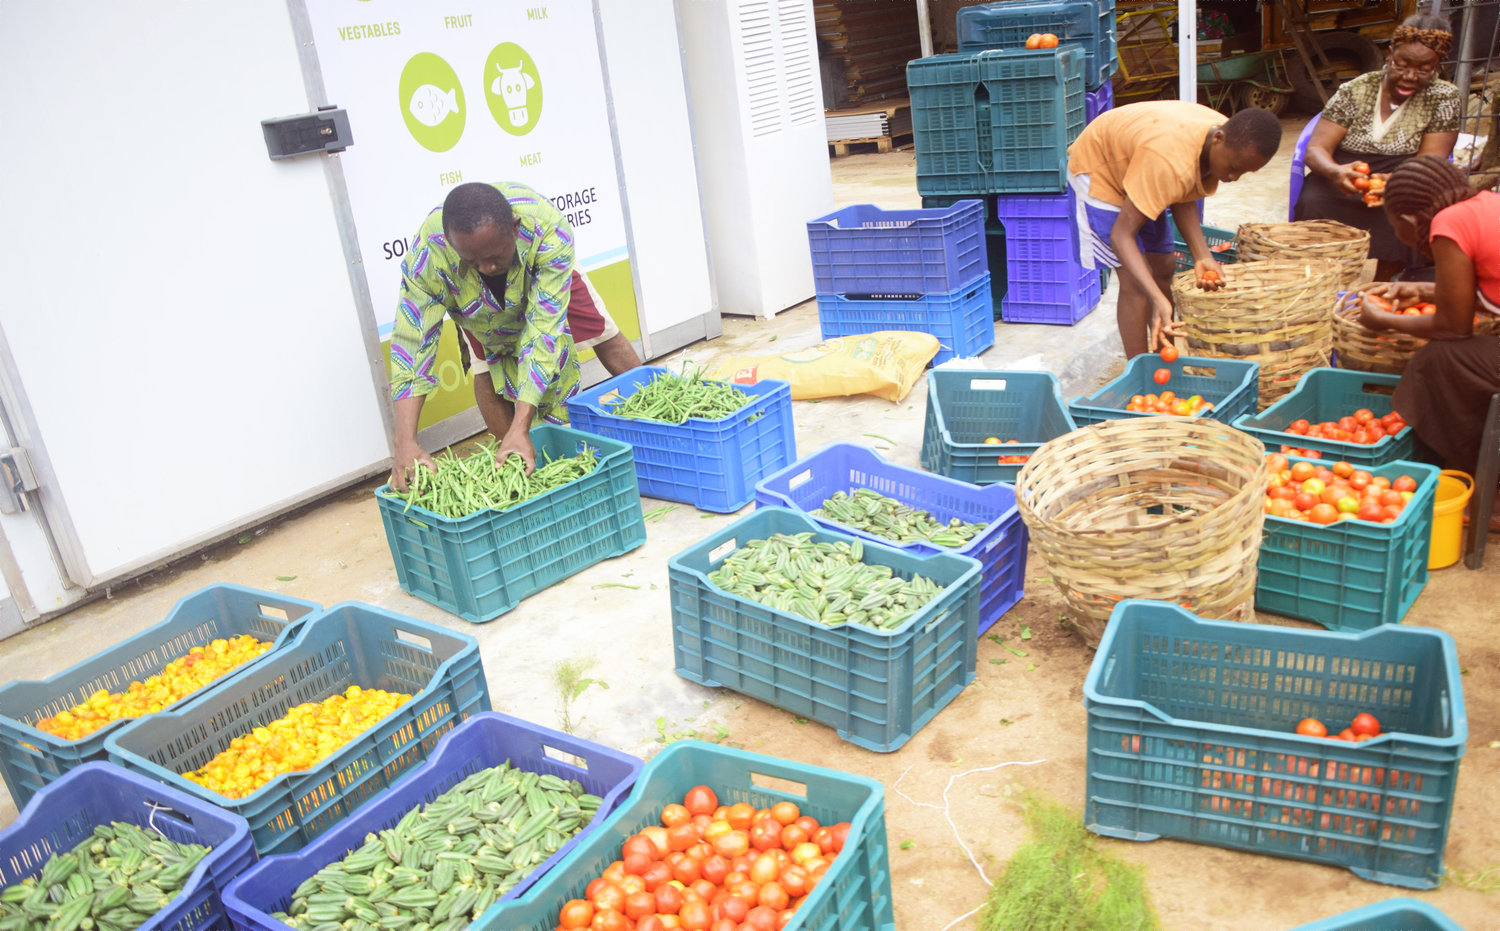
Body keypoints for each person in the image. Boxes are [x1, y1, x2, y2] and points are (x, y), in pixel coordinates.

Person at [388, 181, 638, 490]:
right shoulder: (430, 255)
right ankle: (518, 465)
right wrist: (405, 440)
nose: (487, 267)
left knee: (597, 333)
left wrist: (523, 421)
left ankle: (648, 417)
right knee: (485, 366)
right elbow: (412, 343)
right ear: (453, 247)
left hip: (542, 278)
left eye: (495, 255)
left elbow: (542, 334)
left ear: (515, 228)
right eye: (472, 260)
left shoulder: (548, 230)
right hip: (474, 302)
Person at [1067, 102, 1283, 357]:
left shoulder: (1227, 136)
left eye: (1244, 173)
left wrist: (1203, 256)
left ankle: (1163, 354)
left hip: (1141, 165)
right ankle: (1141, 374)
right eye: (1234, 167)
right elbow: (1121, 236)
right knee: (1136, 282)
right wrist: (1156, 298)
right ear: (1218, 138)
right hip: (1100, 171)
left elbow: (1183, 189)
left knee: (1164, 266)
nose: (1234, 177)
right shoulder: (1167, 159)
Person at [1359, 155, 1500, 531]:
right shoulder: (1483, 204)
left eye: (1394, 228)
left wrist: (1382, 320)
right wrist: (1423, 289)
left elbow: (1455, 327)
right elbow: (1482, 286)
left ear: (1408, 221)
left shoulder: (1447, 224)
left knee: (1439, 360)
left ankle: (1490, 493)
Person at [1294, 13, 1460, 282]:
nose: (1409, 76)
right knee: (1313, 201)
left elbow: (1431, 159)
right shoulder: (1356, 90)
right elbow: (1315, 150)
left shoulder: (1444, 97)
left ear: (1438, 65)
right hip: (1344, 173)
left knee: (1414, 208)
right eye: (1402, 64)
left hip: (1407, 175)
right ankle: (1321, 279)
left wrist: (1396, 182)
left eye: (1424, 69)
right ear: (1389, 54)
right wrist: (1335, 172)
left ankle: (1383, 283)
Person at [459, 268, 639, 447]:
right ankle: (513, 457)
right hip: (470, 283)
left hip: (543, 260)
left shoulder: (552, 249)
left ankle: (656, 419)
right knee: (486, 365)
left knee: (601, 330)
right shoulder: (443, 261)